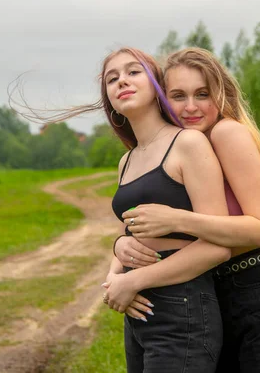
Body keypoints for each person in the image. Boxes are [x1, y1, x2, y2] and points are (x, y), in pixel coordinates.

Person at [113, 48, 260, 372]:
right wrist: (120, 245)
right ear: (162, 99)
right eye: (178, 96)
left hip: (257, 289)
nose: (191, 106)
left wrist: (178, 219)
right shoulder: (183, 146)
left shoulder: (226, 132)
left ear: (220, 94)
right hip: (212, 289)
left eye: (202, 94)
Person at [94, 47, 232, 373]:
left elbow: (218, 245)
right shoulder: (126, 161)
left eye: (133, 72)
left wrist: (135, 280)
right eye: (112, 79)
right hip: (139, 310)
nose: (121, 81)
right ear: (109, 101)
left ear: (156, 84)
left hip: (182, 306)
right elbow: (130, 231)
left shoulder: (187, 144)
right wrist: (115, 272)